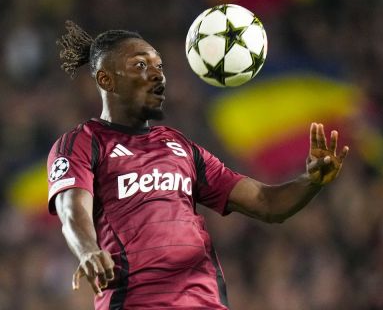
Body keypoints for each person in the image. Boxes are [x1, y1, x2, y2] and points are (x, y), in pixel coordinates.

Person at [47, 20, 349, 310]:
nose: (157, 75)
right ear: (106, 79)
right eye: (141, 65)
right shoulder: (83, 142)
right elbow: (72, 209)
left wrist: (311, 181)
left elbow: (266, 203)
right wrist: (87, 250)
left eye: (158, 66)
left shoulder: (180, 147)